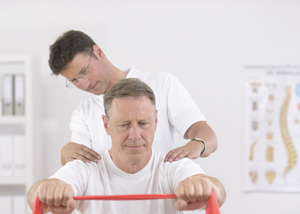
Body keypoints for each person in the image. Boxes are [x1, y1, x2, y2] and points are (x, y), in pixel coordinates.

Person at [27, 78, 226, 214]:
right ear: (106, 125)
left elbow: (218, 192)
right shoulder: (86, 168)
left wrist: (204, 187)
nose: (135, 134)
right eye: (124, 125)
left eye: (143, 123)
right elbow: (35, 195)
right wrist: (49, 189)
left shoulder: (171, 166)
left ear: (156, 122)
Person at [48, 30, 218, 166]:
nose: (83, 84)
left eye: (84, 72)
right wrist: (66, 153)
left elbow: (208, 136)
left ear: (98, 52)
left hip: (160, 205)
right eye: (74, 80)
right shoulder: (83, 113)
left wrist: (196, 145)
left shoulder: (162, 84)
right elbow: (75, 167)